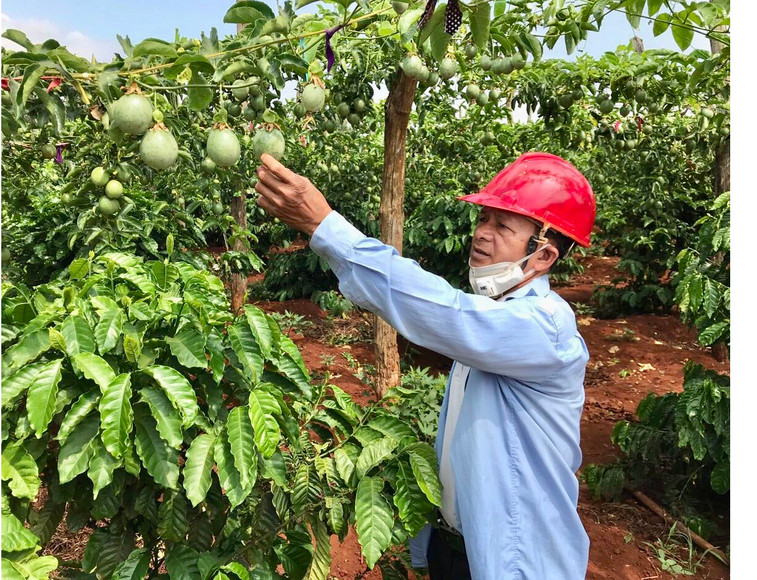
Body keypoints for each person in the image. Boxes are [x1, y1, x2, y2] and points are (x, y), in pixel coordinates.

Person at [253, 151, 596, 579]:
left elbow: (448, 313)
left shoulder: (543, 326)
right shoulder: (498, 311)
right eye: (483, 220)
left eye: (502, 226)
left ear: (543, 256)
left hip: (516, 561)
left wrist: (326, 226)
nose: (482, 234)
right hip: (459, 550)